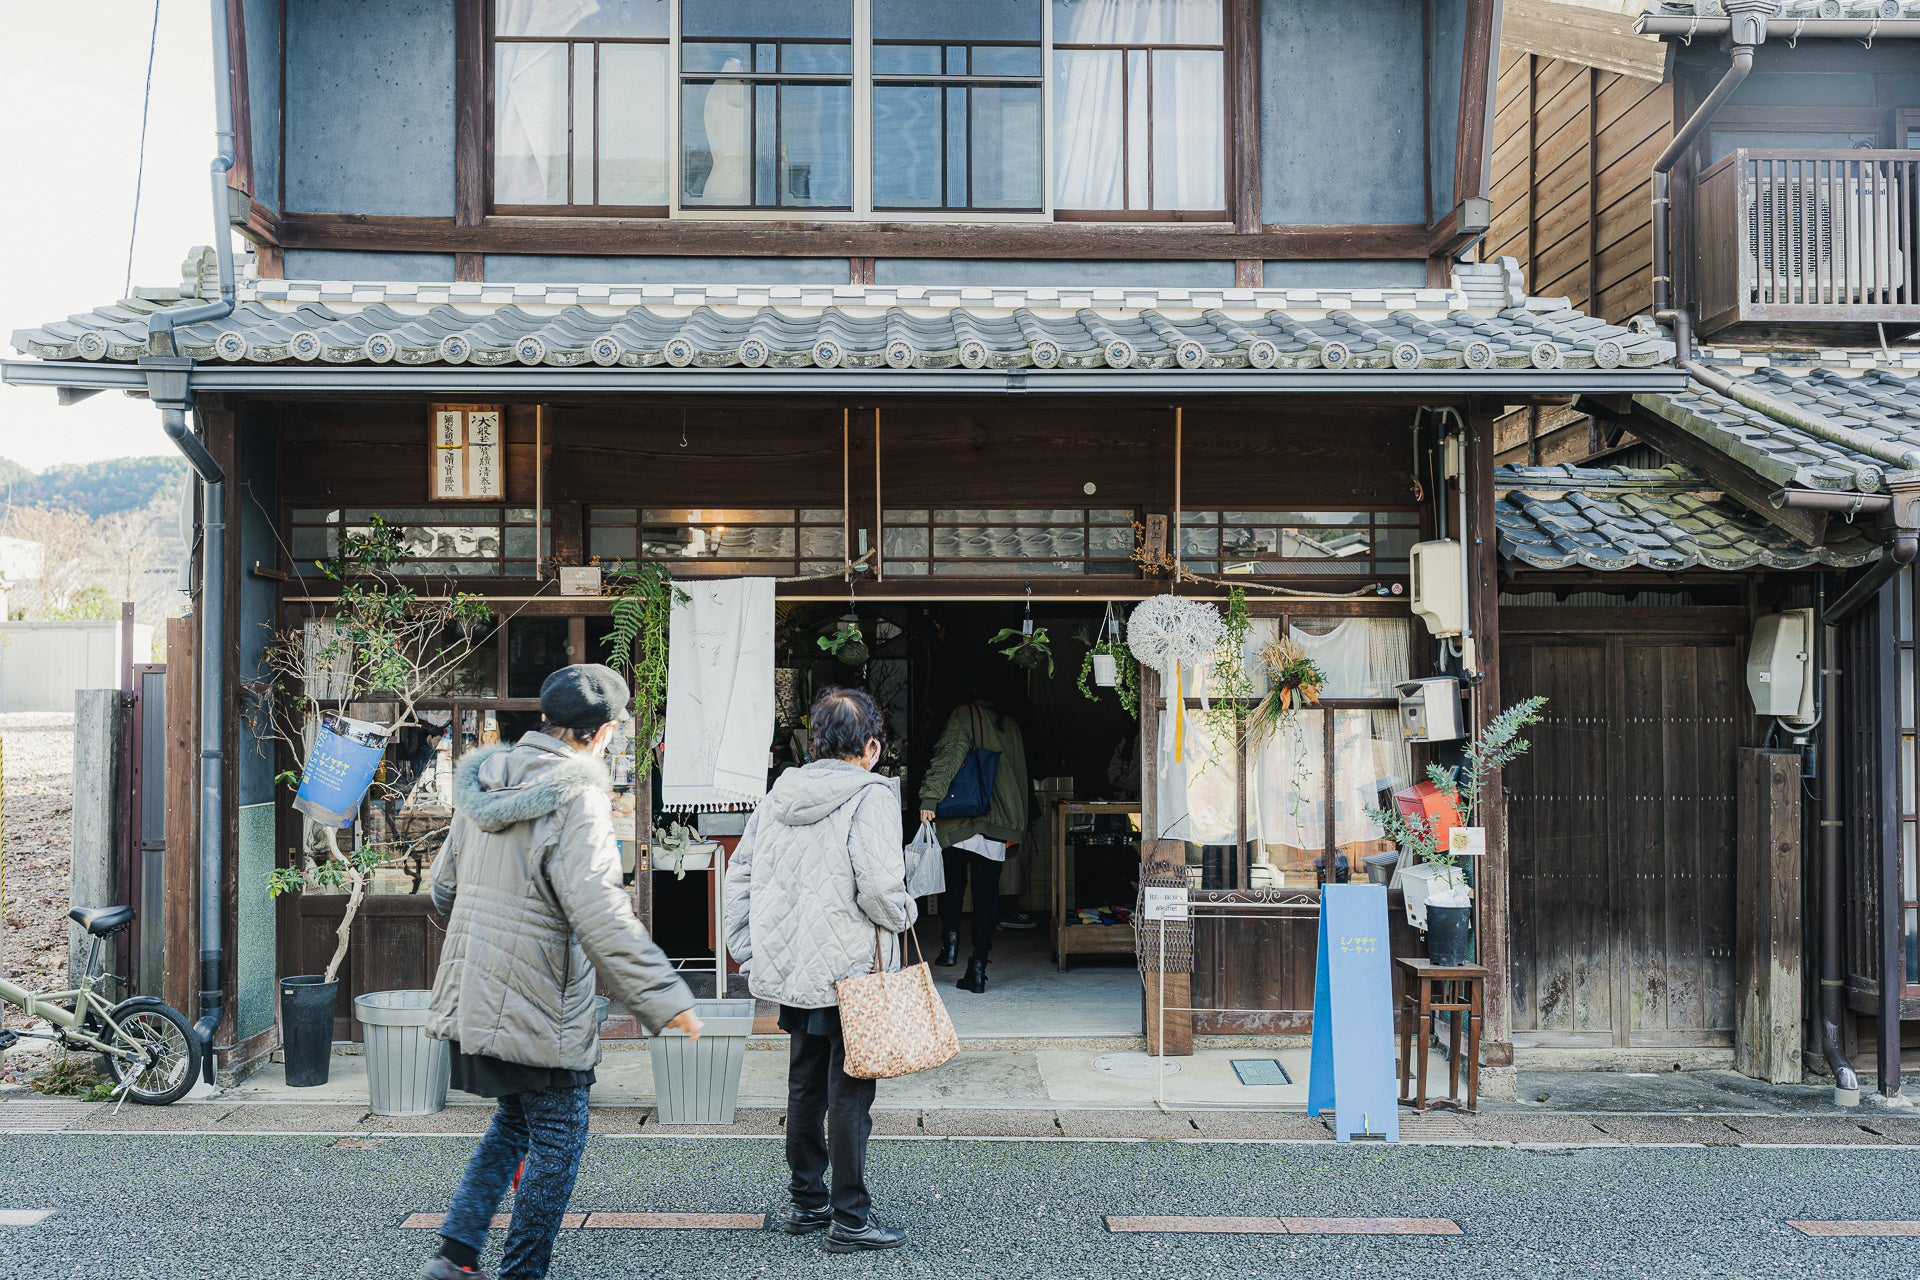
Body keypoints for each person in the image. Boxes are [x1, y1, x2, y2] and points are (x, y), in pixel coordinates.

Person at [422, 664, 702, 1280]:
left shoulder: (485, 782)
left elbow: (443, 891)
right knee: (559, 1136)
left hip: (477, 993)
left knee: (514, 1121)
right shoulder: (581, 797)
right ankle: (522, 1272)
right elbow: (600, 911)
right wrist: (663, 997)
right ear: (597, 734)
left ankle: (457, 1253)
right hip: (540, 1001)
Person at [724, 687, 917, 1253]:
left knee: (805, 1083)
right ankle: (851, 1217)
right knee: (850, 1093)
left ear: (813, 743)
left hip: (793, 969)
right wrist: (907, 912)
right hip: (850, 969)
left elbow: (740, 877)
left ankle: (806, 1202)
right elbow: (881, 888)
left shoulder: (777, 795)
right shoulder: (873, 795)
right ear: (872, 746)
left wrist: (749, 948)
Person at [917, 694, 1030, 994]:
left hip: (964, 814)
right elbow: (1020, 776)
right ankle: (978, 967)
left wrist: (930, 796)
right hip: (1000, 820)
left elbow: (950, 755)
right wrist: (1020, 822)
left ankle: (949, 946)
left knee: (953, 883)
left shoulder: (965, 714)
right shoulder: (1012, 725)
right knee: (986, 895)